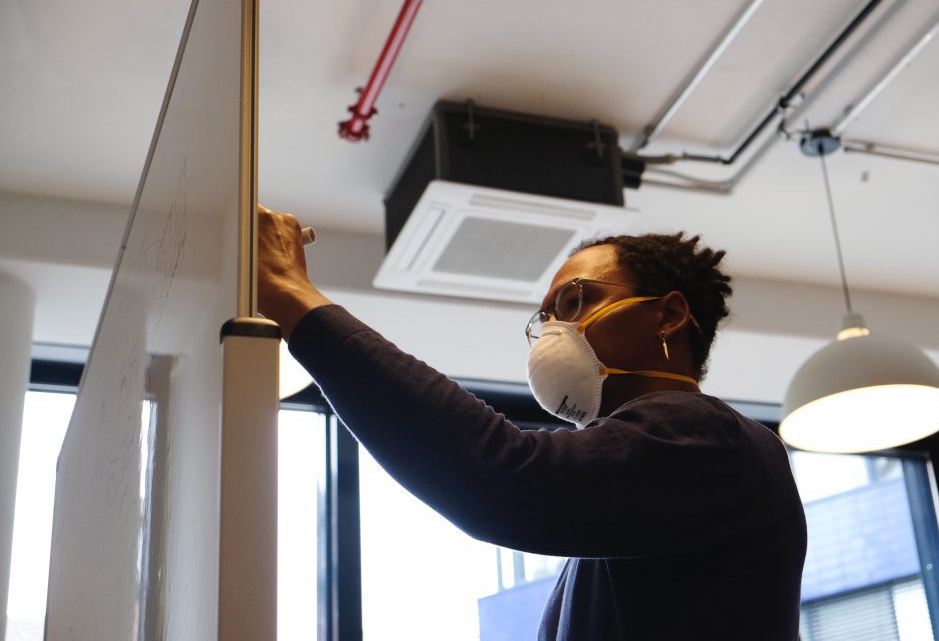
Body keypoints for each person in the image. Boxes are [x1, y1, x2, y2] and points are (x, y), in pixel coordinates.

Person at [258, 205, 807, 640]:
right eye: (545, 319)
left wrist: (294, 298)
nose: (554, 332)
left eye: (574, 301)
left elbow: (503, 478)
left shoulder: (708, 437)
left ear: (668, 315)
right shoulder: (651, 480)